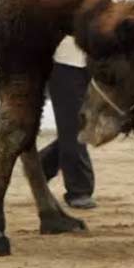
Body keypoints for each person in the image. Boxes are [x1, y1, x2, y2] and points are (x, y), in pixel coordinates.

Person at [37, 39, 96, 209]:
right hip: (66, 62)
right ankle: (79, 190)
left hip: (100, 58)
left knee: (90, 125)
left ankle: (43, 165)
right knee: (72, 126)